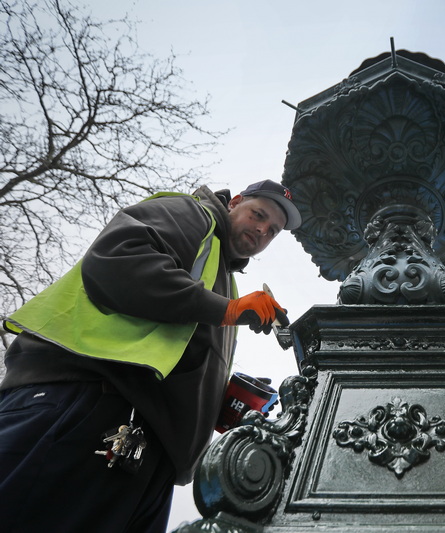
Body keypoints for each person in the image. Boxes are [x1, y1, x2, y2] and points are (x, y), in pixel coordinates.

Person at [0, 179, 302, 532]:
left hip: (147, 454)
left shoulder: (224, 279)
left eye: (274, 230)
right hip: (88, 405)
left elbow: (173, 351)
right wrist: (226, 309)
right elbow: (116, 260)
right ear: (234, 202)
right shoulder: (191, 215)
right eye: (258, 214)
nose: (263, 230)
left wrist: (217, 401)